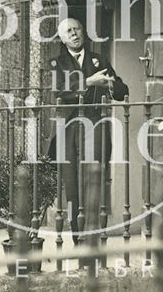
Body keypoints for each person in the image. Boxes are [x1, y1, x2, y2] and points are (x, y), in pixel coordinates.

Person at [47, 18, 129, 243]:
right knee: (72, 184)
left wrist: (110, 84)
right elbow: (60, 90)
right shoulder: (57, 64)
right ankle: (77, 235)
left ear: (83, 32)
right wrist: (90, 81)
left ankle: (92, 233)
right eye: (68, 32)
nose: (74, 34)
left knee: (93, 178)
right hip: (68, 129)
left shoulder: (99, 59)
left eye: (77, 29)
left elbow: (121, 90)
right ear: (63, 39)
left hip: (94, 126)